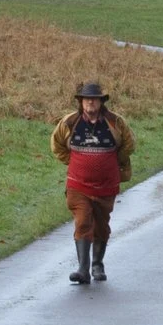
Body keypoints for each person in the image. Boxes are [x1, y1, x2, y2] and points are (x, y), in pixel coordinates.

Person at [51, 81, 134, 284]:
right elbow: (57, 144)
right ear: (81, 102)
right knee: (82, 222)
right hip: (78, 185)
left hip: (106, 185)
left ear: (101, 102)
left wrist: (112, 162)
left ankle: (97, 264)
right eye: (87, 99)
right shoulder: (69, 122)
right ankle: (83, 269)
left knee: (101, 226)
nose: (90, 103)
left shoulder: (116, 123)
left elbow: (129, 145)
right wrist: (73, 161)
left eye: (95, 99)